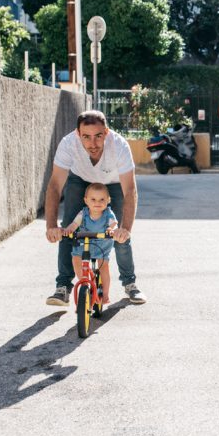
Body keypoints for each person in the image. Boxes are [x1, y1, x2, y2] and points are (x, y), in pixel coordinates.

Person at [44, 110, 147, 305]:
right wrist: (51, 226)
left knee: (118, 232)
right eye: (86, 137)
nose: (93, 143)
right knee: (68, 229)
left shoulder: (119, 146)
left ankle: (130, 284)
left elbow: (130, 190)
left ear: (106, 132)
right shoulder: (68, 144)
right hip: (80, 179)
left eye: (98, 136)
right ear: (78, 134)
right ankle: (63, 287)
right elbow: (55, 186)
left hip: (114, 183)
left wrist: (126, 229)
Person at [63, 183, 119, 304]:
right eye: (93, 199)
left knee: (103, 266)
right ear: (86, 200)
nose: (97, 202)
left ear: (108, 200)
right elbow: (74, 224)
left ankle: (105, 294)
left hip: (102, 244)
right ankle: (85, 281)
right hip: (84, 243)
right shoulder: (83, 213)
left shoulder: (108, 214)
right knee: (76, 258)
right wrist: (69, 230)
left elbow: (114, 224)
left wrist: (111, 230)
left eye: (102, 199)